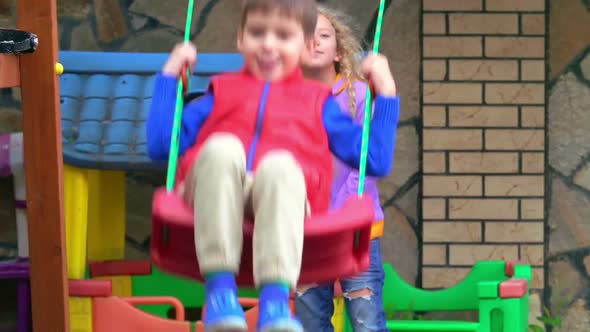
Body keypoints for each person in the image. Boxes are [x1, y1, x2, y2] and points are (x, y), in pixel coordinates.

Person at [146, 0, 400, 331]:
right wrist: (169, 76)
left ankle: (275, 305)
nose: (268, 43)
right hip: (217, 194)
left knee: (281, 164)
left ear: (304, 44)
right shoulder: (221, 91)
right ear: (240, 38)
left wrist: (387, 93)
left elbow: (374, 160)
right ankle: (221, 295)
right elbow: (162, 145)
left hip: (282, 204)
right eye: (257, 32)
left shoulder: (317, 102)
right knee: (223, 147)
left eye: (283, 35)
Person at [295, 5, 391, 332]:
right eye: (307, 36)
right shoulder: (287, 101)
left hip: (356, 231)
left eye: (324, 35)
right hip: (306, 232)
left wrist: (342, 210)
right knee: (310, 323)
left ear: (338, 51)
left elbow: (368, 165)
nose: (316, 42)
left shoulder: (359, 96)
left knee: (366, 321)